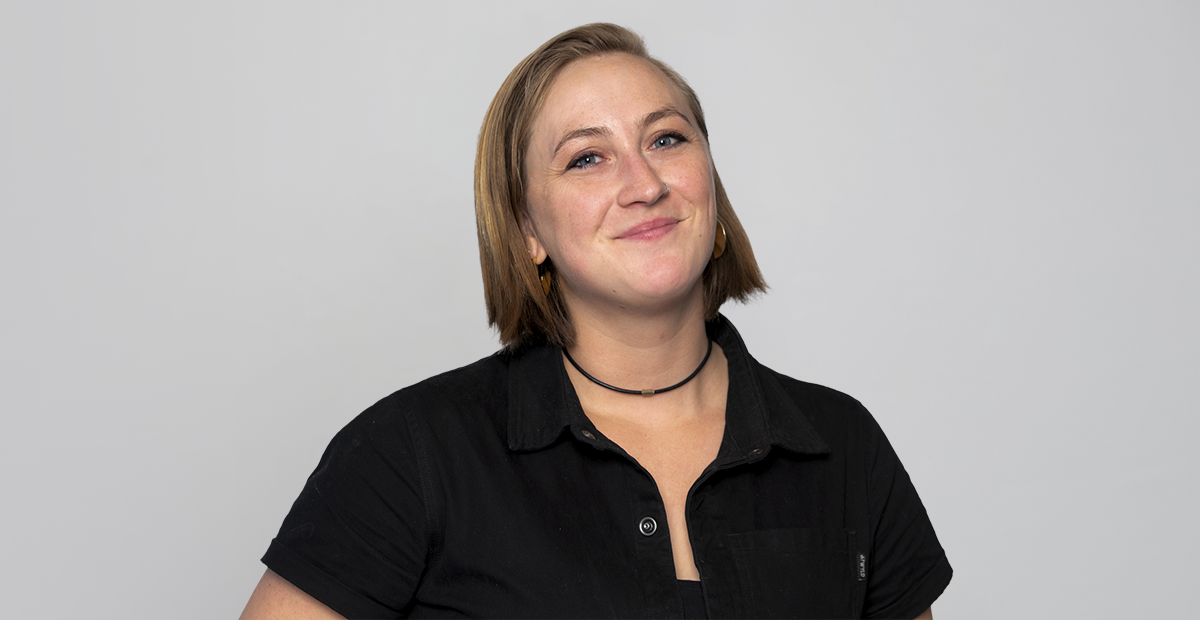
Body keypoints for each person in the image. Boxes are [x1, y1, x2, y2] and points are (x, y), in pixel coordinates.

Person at [240, 23, 951, 619]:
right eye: (586, 158)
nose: (644, 185)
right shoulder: (410, 453)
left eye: (667, 140)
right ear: (527, 232)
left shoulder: (843, 445)